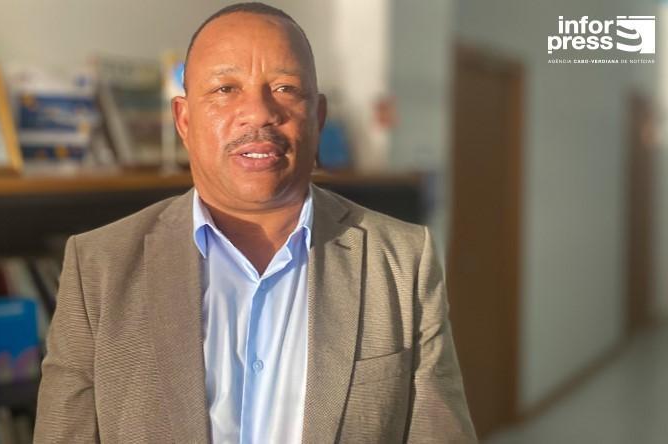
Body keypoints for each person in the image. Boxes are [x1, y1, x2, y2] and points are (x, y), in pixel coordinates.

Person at [34, 3, 476, 443]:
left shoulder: (401, 260)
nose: (260, 112)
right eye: (226, 89)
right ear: (184, 120)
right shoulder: (99, 266)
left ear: (318, 117)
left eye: (285, 88)